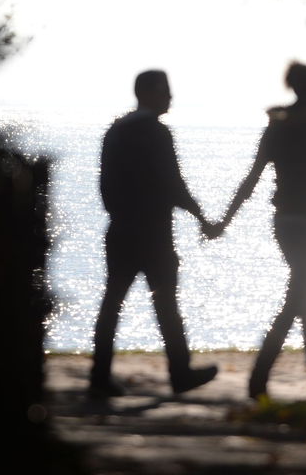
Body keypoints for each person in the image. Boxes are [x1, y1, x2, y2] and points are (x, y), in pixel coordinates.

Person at [212, 62, 306, 399]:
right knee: (300, 298)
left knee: (304, 297)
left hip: (286, 223)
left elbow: (252, 179)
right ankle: (264, 375)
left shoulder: (277, 128)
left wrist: (225, 220)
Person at [89, 69, 218, 396]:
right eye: (165, 90)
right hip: (154, 234)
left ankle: (99, 376)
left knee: (112, 302)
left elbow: (105, 184)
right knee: (166, 304)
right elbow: (173, 184)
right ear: (148, 93)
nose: (170, 96)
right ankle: (180, 373)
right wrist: (200, 215)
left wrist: (118, 213)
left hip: (121, 230)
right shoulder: (157, 134)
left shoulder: (116, 131)